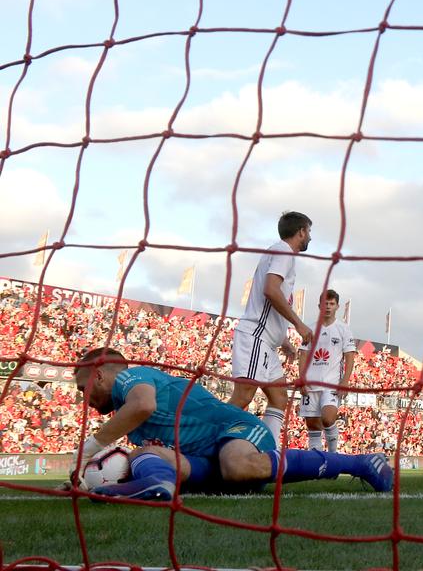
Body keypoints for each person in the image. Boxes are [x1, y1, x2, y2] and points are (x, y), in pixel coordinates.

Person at [70, 348, 392, 501]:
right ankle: (156, 485)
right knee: (141, 452)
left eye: (84, 391)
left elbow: (144, 404)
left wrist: (85, 452)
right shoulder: (128, 421)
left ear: (98, 375)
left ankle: (361, 462)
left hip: (233, 430)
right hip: (205, 462)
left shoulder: (130, 378)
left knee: (235, 465)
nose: (84, 400)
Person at [229, 211, 315, 446]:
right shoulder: (284, 251)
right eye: (309, 232)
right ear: (301, 232)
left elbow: (272, 300)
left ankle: (269, 451)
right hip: (256, 336)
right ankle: (204, 443)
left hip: (268, 342)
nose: (310, 237)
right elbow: (270, 290)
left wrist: (283, 340)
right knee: (244, 396)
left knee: (279, 397)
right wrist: (298, 323)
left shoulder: (280, 253)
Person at [298, 289, 356, 452]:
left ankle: (332, 455)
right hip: (311, 384)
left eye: (332, 304)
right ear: (319, 306)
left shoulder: (343, 329)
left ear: (337, 306)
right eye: (325, 304)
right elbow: (303, 355)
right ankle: (316, 464)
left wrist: (345, 381)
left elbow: (350, 356)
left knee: (328, 418)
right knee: (312, 425)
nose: (328, 307)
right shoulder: (310, 330)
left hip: (331, 384)